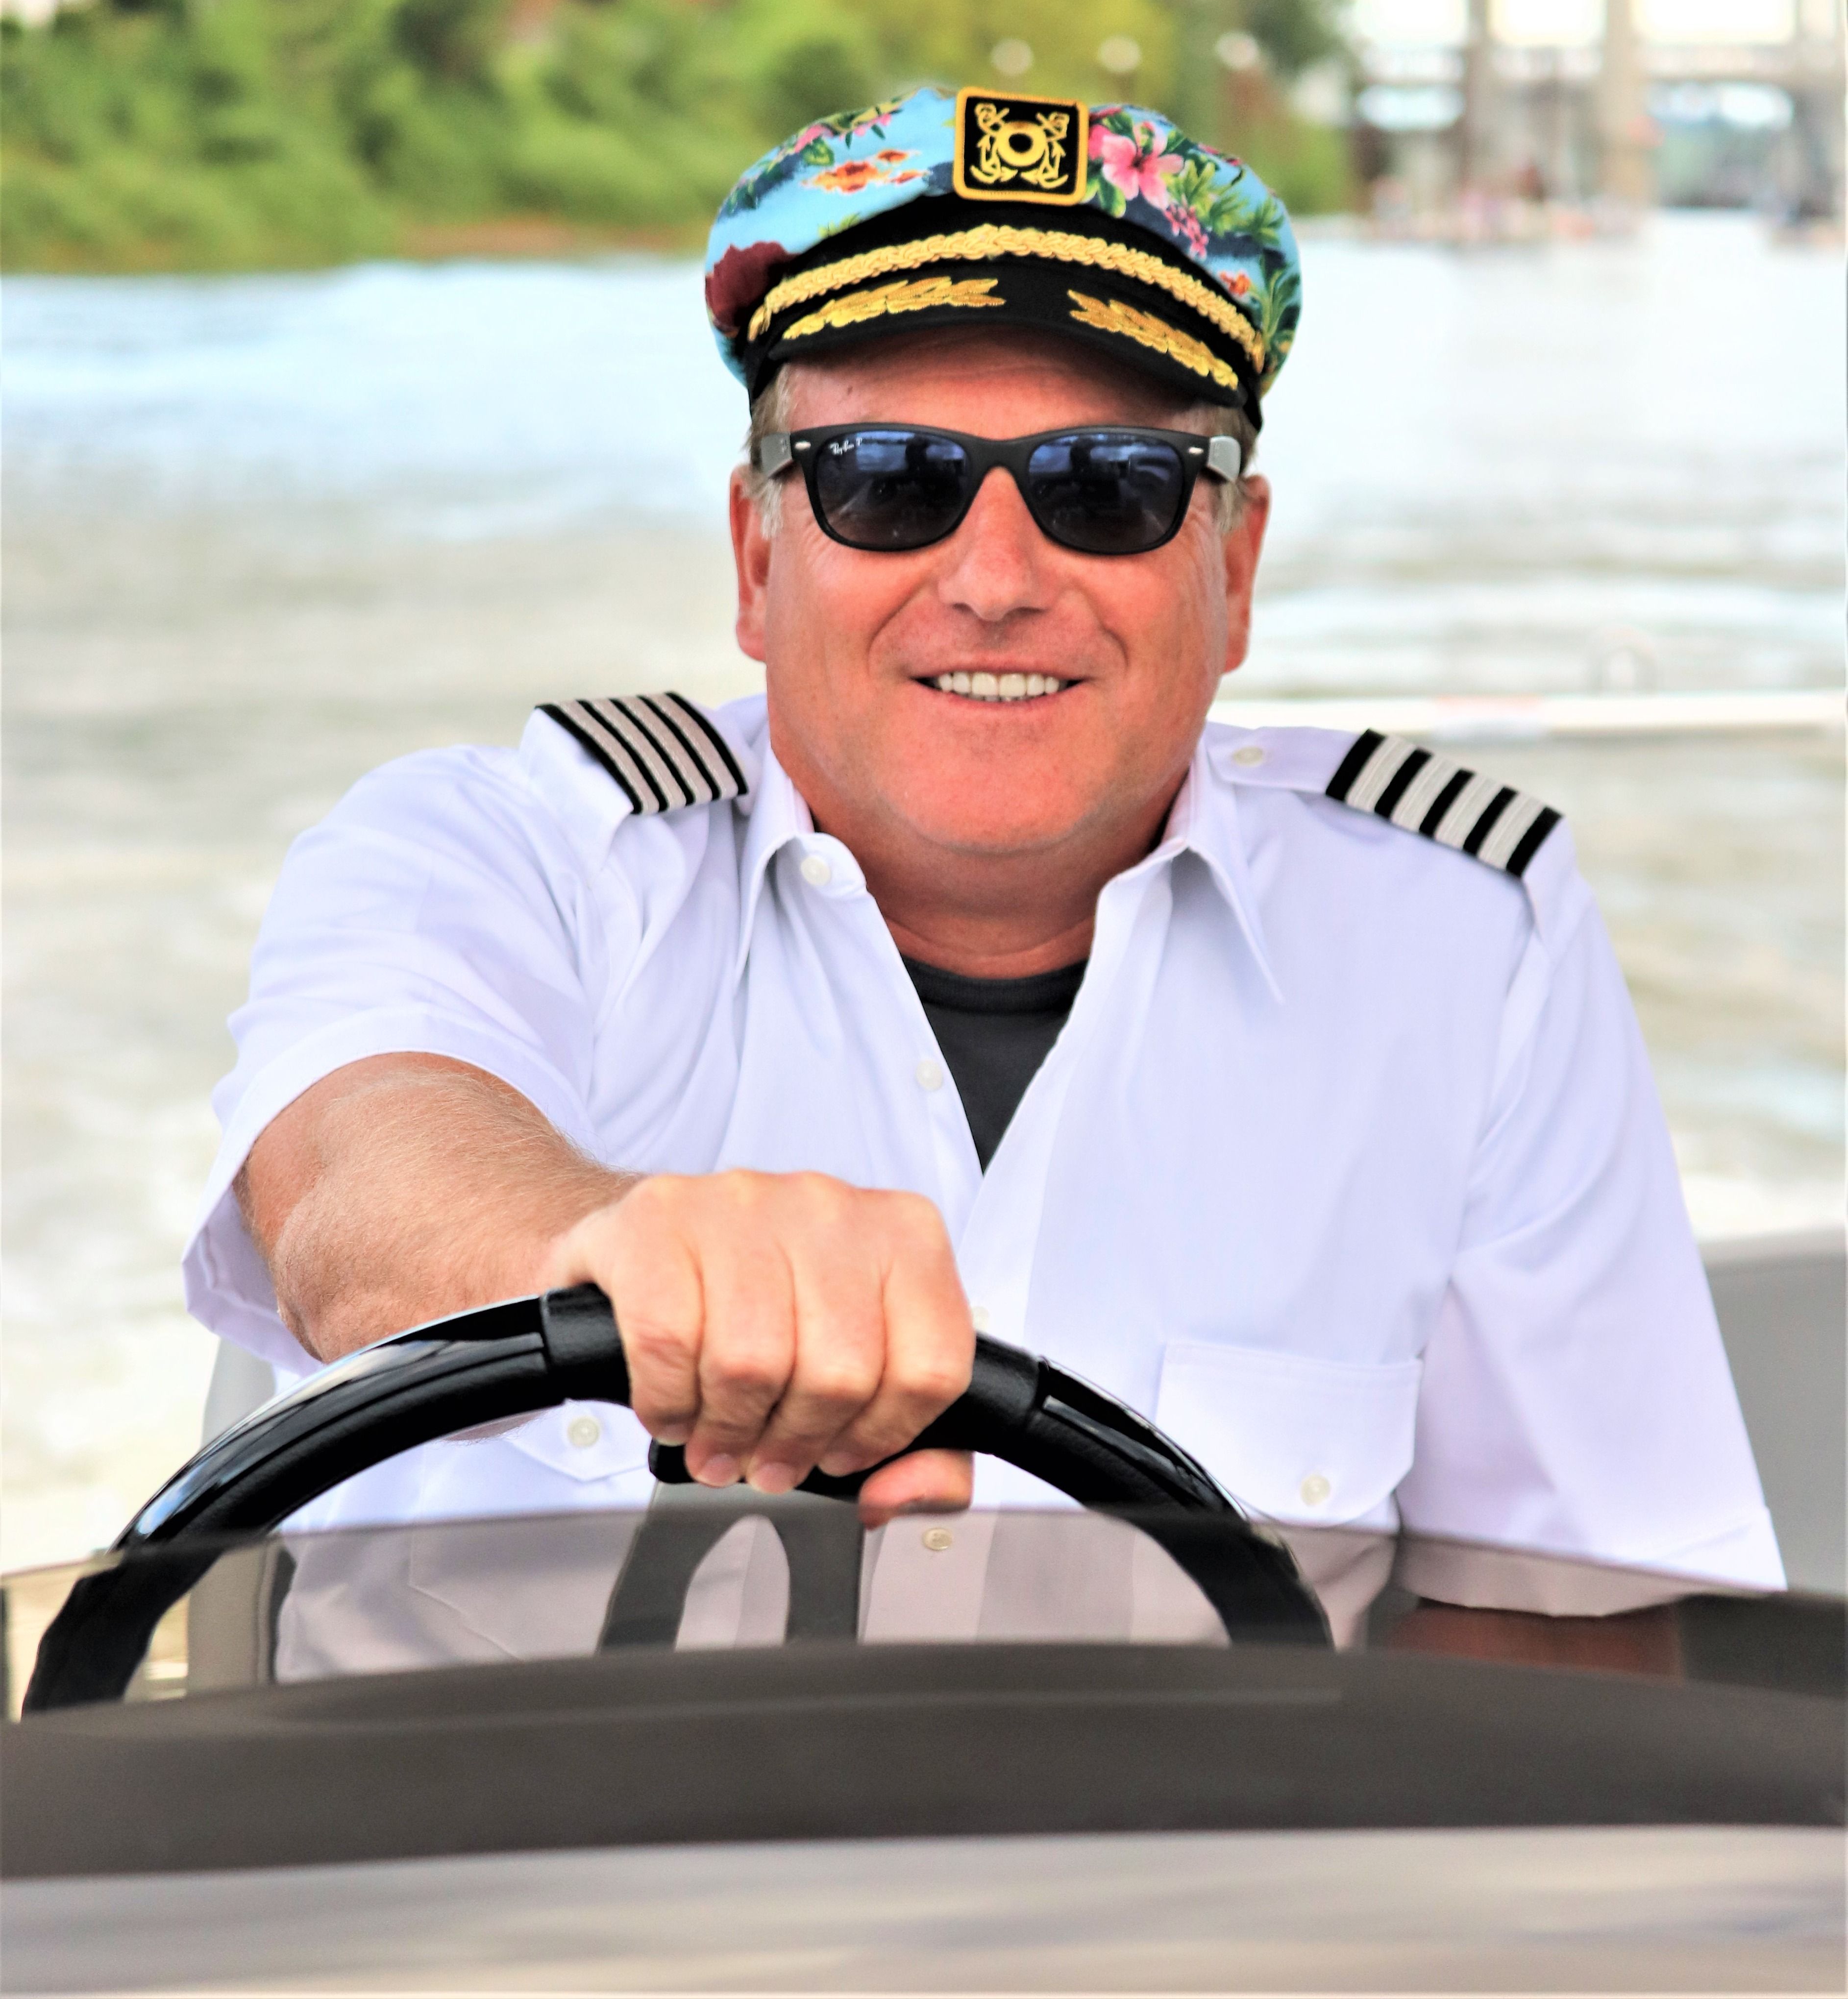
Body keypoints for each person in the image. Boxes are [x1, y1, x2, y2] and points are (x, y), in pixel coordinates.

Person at [184, 86, 1780, 1611]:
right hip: (533, 1892)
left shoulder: (1464, 940)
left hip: (1193, 1896)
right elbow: (352, 1184)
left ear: (1233, 566)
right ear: (756, 556)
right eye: (890, 484)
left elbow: (1573, 1618)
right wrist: (600, 1245)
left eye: (1112, 488)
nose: (998, 576)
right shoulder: (491, 851)